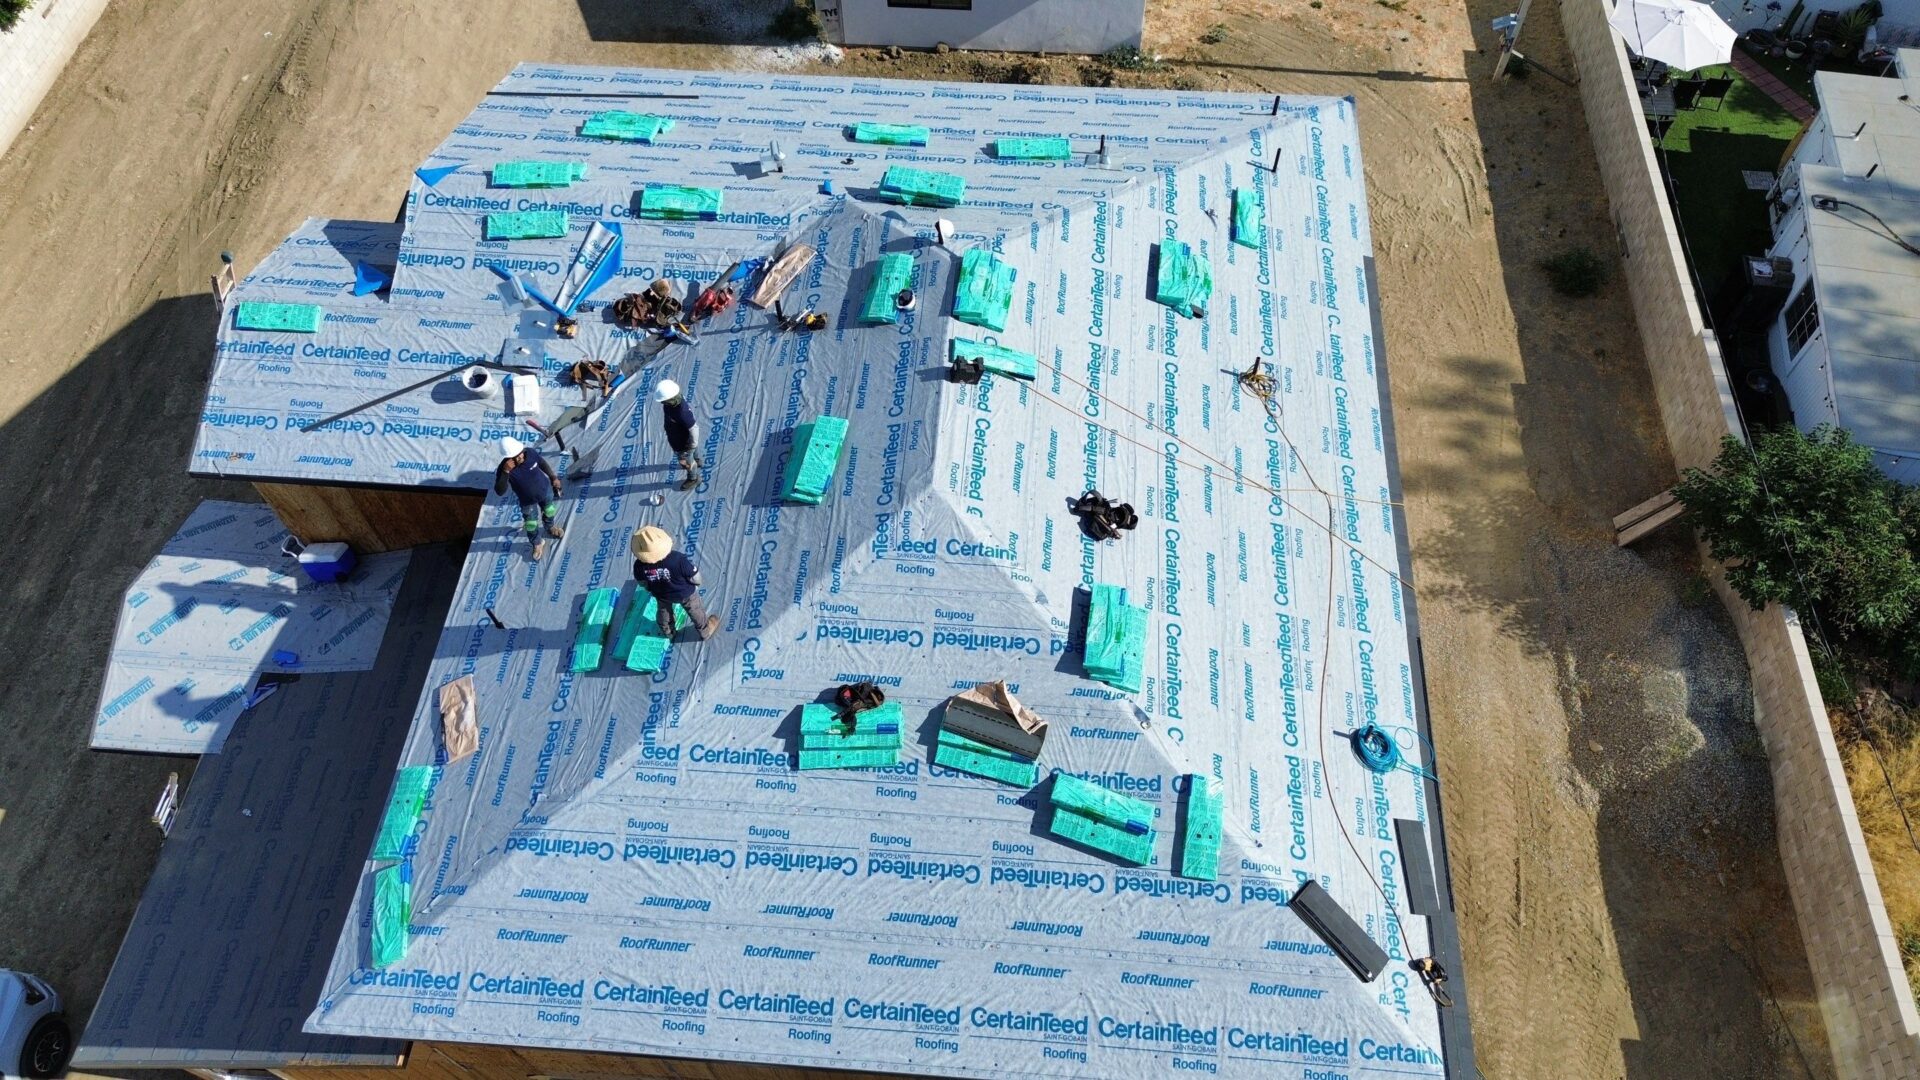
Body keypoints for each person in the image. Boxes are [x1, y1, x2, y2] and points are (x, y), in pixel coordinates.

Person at [631, 525, 719, 640]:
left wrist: (651, 588)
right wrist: (696, 585)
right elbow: (695, 577)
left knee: (664, 612)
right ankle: (705, 630)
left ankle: (668, 632)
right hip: (685, 593)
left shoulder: (638, 566)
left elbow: (642, 583)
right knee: (695, 610)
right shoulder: (677, 559)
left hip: (661, 594)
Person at [493, 435, 564, 560]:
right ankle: (537, 543)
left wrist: (553, 477)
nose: (519, 457)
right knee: (531, 524)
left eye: (520, 453)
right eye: (514, 457)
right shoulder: (504, 468)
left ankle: (550, 527)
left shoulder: (530, 453)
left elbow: (541, 463)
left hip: (545, 490)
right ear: (508, 458)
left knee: (549, 510)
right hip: (527, 501)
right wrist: (505, 472)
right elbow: (500, 491)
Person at [655, 379, 703, 491]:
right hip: (679, 434)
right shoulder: (674, 402)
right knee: (692, 453)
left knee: (686, 460)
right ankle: (697, 459)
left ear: (670, 399)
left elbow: (694, 429)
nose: (662, 403)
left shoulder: (681, 412)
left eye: (664, 400)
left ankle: (693, 478)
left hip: (682, 442)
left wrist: (692, 445)